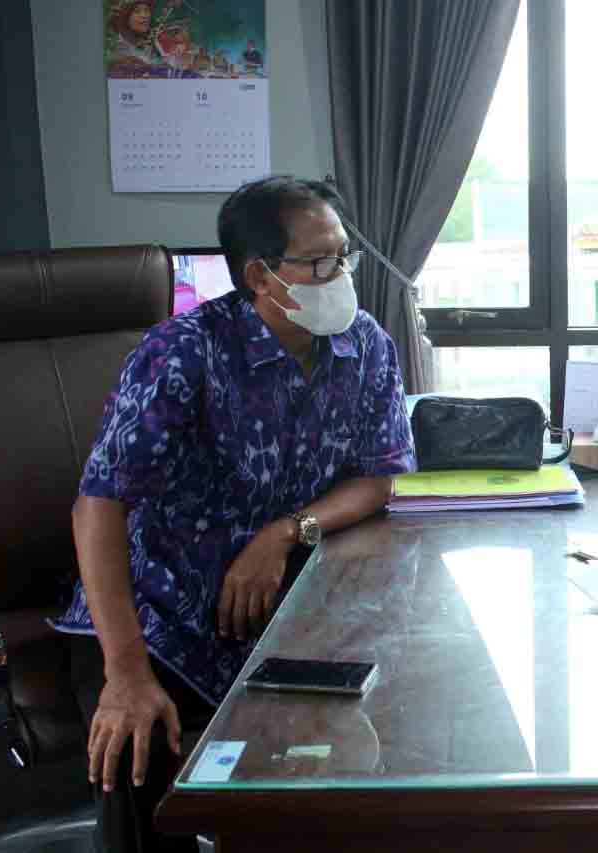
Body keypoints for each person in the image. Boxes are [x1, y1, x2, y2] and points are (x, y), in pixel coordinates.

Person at [54, 176, 416, 852]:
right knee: (137, 744)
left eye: (345, 256)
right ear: (261, 275)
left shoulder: (364, 346)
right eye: (321, 261)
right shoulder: (181, 353)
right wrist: (125, 670)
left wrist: (286, 532)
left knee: (371, 739)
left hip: (281, 613)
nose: (341, 275)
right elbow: (97, 505)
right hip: (156, 618)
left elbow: (379, 477)